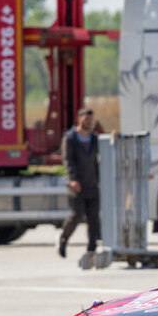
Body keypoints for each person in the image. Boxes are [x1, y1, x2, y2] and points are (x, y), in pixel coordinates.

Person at [59, 107, 100, 258]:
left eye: (90, 120)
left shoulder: (94, 138)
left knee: (93, 218)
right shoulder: (71, 138)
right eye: (86, 119)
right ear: (79, 119)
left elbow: (97, 161)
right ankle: (64, 238)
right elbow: (68, 160)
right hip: (77, 185)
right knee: (77, 214)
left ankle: (92, 248)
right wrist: (72, 179)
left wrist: (99, 179)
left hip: (92, 183)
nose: (89, 122)